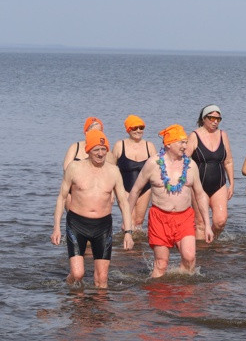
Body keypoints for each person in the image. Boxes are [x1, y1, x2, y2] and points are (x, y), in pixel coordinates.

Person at [129, 124, 214, 277]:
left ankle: (182, 294)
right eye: (181, 142)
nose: (185, 146)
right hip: (159, 218)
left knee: (190, 258)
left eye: (186, 142)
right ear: (168, 144)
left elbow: (200, 195)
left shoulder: (191, 166)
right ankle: (159, 297)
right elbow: (135, 191)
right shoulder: (153, 164)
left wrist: (208, 225)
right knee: (161, 264)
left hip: (185, 217)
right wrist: (127, 221)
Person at [52, 129, 134, 287]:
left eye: (104, 149)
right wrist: (56, 227)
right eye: (96, 149)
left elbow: (123, 202)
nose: (101, 153)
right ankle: (68, 289)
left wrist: (128, 233)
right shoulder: (74, 168)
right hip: (77, 224)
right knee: (77, 274)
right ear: (88, 150)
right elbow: (61, 198)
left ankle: (99, 311)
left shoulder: (113, 171)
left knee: (102, 278)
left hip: (103, 226)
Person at [185, 104, 234, 239]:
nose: (215, 121)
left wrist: (232, 184)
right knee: (200, 223)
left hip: (219, 184)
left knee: (220, 221)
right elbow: (185, 160)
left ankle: (212, 241)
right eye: (212, 118)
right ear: (204, 118)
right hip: (199, 185)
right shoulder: (195, 136)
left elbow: (228, 161)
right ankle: (202, 255)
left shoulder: (223, 135)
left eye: (218, 119)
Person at [113, 115, 156, 229]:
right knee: (129, 222)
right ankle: (126, 244)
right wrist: (111, 191)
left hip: (145, 189)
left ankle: (138, 246)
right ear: (128, 129)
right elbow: (110, 169)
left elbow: (157, 170)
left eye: (141, 128)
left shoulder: (149, 146)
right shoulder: (119, 146)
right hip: (125, 188)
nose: (138, 131)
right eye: (134, 128)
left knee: (138, 222)